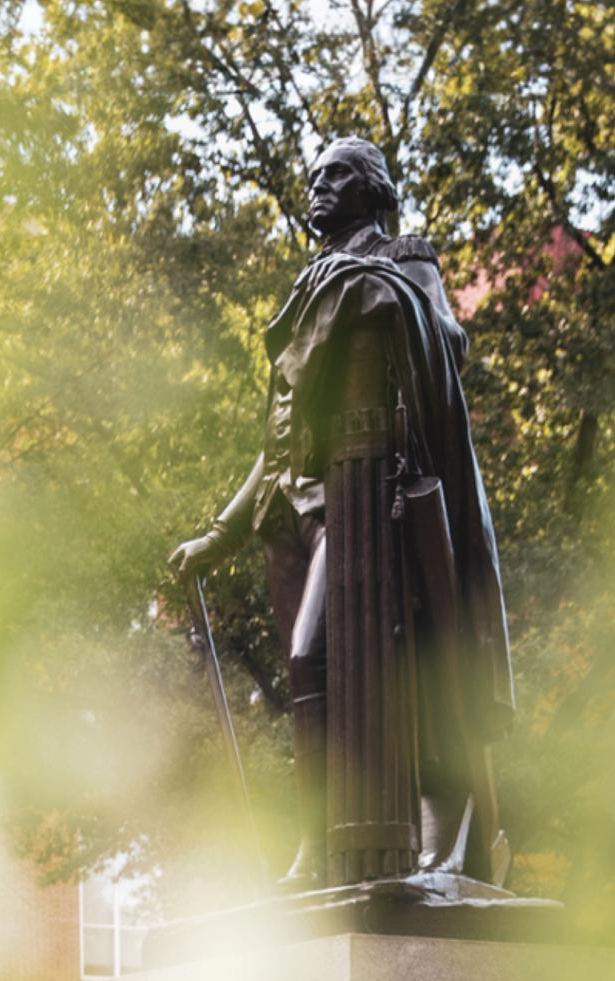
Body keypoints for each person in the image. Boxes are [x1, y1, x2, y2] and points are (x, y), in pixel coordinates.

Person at [170, 137, 513, 891]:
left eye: (337, 176)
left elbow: (447, 342)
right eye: (314, 178)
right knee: (316, 674)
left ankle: (440, 831)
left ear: (371, 189)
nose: (318, 187)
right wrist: (219, 536)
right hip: (302, 513)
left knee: (368, 664)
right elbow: (281, 440)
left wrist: (380, 293)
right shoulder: (312, 285)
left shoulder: (399, 258)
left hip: (373, 504)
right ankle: (319, 841)